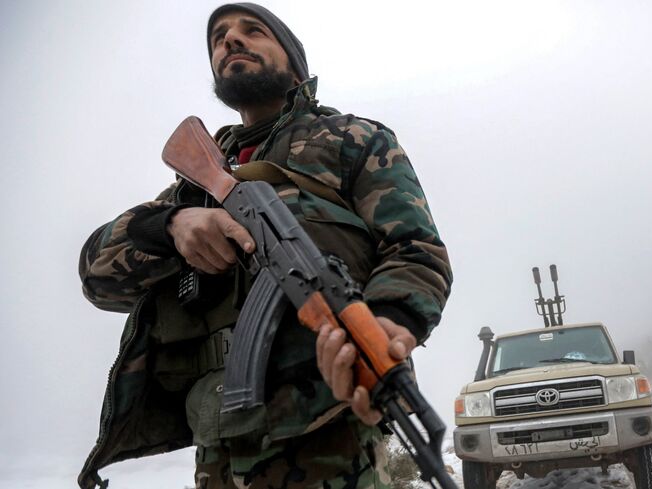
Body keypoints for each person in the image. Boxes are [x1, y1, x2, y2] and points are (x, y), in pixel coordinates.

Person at [76, 3, 452, 489]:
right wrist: (172, 225)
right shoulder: (194, 185)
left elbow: (416, 249)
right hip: (218, 440)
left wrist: (386, 325)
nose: (230, 40)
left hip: (331, 437)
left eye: (253, 31)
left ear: (292, 61)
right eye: (218, 38)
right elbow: (97, 277)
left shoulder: (351, 139)